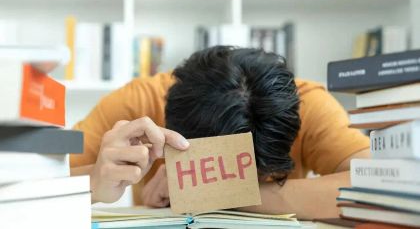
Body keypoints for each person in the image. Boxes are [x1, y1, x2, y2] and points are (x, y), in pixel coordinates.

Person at [70, 46, 370, 219]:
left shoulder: (309, 103)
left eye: (259, 175)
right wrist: (95, 183)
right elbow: (30, 185)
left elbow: (383, 187)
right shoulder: (135, 104)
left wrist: (212, 192)